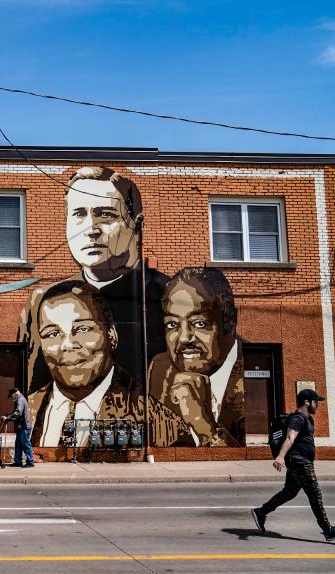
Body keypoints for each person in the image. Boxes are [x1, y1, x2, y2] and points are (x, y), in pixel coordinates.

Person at [19, 167, 167, 394]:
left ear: (136, 225)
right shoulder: (42, 302)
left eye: (105, 214)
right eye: (79, 214)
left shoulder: (170, 297)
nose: (90, 230)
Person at [27, 280, 186, 450]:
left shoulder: (162, 423)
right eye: (53, 333)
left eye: (82, 329)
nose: (67, 345)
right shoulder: (29, 407)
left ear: (111, 335)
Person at [148, 268, 244, 447]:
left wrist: (203, 424)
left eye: (199, 323)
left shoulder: (247, 372)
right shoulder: (160, 368)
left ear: (229, 321)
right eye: (172, 324)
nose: (184, 337)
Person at [252, 389, 335, 541]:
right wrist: (280, 456)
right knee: (315, 493)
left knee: (290, 492)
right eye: (315, 402)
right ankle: (328, 530)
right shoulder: (297, 418)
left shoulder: (308, 419)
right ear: (306, 402)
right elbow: (290, 437)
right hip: (299, 462)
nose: (318, 405)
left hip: (301, 461)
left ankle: (261, 511)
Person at [3, 387, 34, 468]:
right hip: (21, 427)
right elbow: (16, 413)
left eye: (12, 396)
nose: (11, 398)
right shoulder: (20, 399)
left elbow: (18, 413)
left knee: (25, 444)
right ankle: (18, 461)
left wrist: (8, 418)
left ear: (15, 393)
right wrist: (8, 416)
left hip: (24, 427)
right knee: (18, 444)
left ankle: (30, 462)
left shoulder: (20, 400)